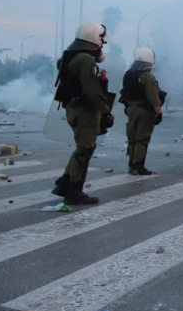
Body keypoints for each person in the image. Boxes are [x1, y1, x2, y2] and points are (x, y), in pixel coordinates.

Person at [50, 22, 113, 205]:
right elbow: (91, 89)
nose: (102, 42)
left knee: (82, 148)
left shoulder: (70, 56)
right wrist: (105, 110)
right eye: (101, 38)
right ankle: (74, 191)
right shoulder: (85, 59)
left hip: (73, 107)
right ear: (92, 37)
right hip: (85, 110)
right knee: (85, 149)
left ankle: (64, 183)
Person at [120, 47, 164, 175]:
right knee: (142, 138)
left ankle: (131, 164)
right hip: (144, 110)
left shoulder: (128, 74)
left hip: (130, 108)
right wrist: (159, 112)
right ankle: (138, 166)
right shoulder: (148, 77)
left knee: (132, 137)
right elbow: (153, 97)